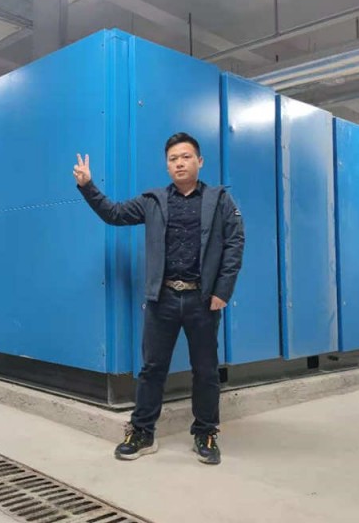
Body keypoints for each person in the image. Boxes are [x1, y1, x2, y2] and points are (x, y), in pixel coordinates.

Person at [73, 132, 244, 465]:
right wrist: (88, 186)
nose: (179, 163)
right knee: (152, 369)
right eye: (173, 159)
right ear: (167, 166)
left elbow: (235, 243)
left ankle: (205, 432)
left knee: (206, 370)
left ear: (199, 161)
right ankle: (142, 432)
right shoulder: (153, 200)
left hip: (202, 300)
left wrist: (222, 291)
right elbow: (115, 214)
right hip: (162, 299)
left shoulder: (220, 200)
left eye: (186, 157)